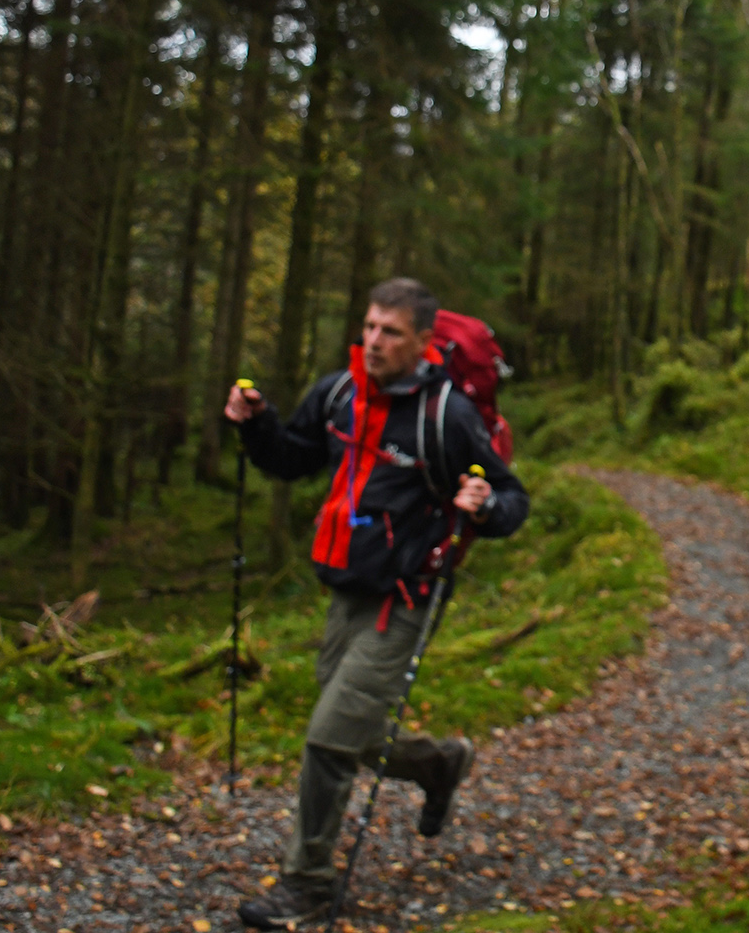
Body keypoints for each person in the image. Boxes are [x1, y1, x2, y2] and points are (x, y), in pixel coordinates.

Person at [226, 278, 529, 930]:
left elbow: (511, 500)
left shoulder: (446, 414)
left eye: (390, 332)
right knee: (358, 735)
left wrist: (485, 505)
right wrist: (258, 427)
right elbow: (295, 458)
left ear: (422, 342)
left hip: (408, 596)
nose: (373, 342)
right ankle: (441, 763)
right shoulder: (339, 393)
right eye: (368, 327)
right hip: (346, 589)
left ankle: (305, 887)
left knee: (331, 736)